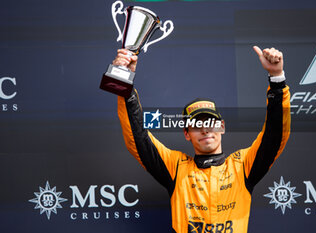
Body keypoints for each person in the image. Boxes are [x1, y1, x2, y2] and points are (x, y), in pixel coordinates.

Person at [114, 46, 290, 233]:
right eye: (197, 125)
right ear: (187, 134)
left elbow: (274, 136)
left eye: (211, 123)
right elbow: (137, 138)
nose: (205, 129)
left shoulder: (242, 166)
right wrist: (124, 78)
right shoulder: (176, 167)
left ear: (222, 127)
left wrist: (277, 78)